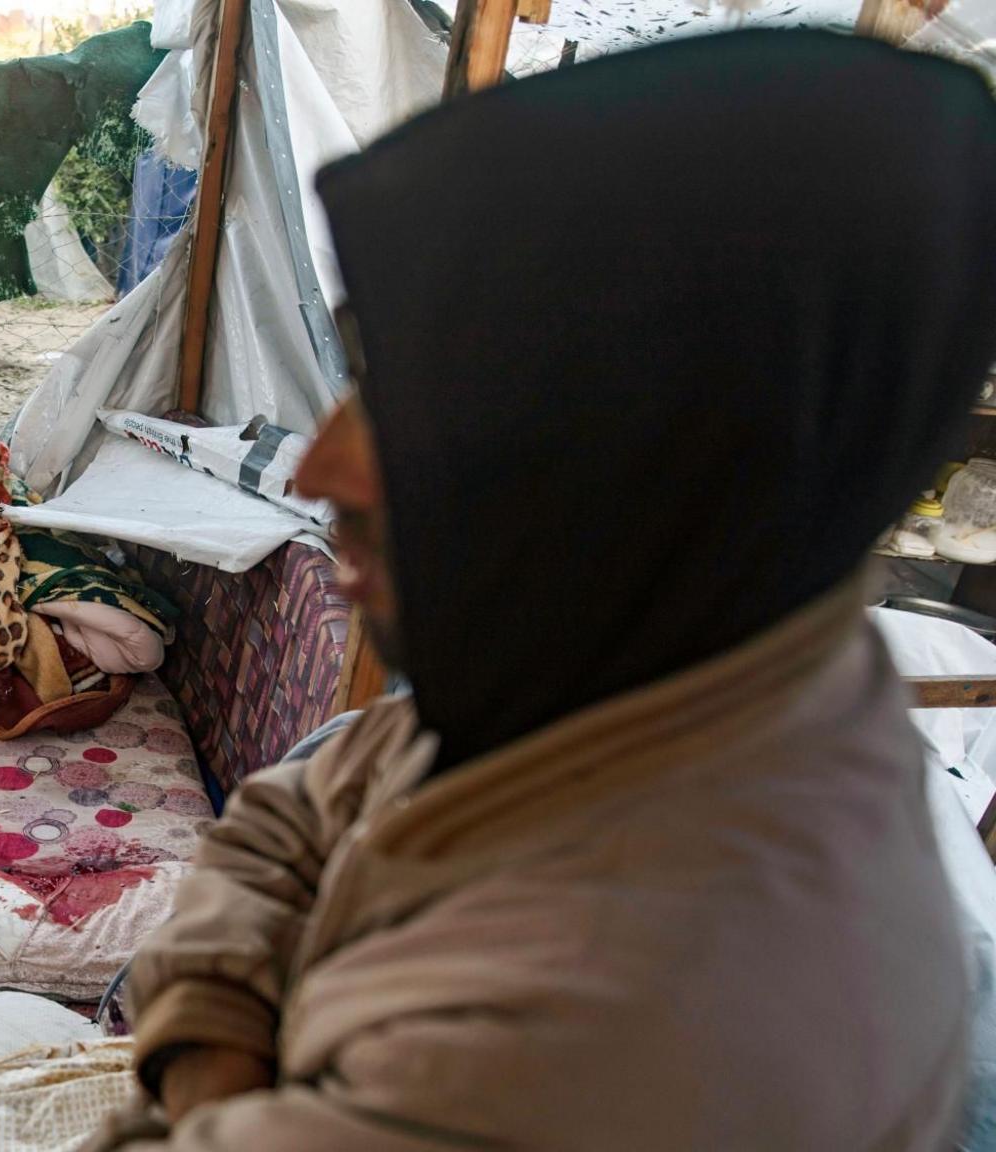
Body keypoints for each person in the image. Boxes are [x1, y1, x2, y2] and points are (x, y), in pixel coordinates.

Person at [108, 30, 996, 1152]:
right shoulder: (645, 671)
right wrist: (231, 1065)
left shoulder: (642, 1028)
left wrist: (203, 1051)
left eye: (420, 400)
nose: (319, 467)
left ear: (670, 456)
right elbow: (286, 816)